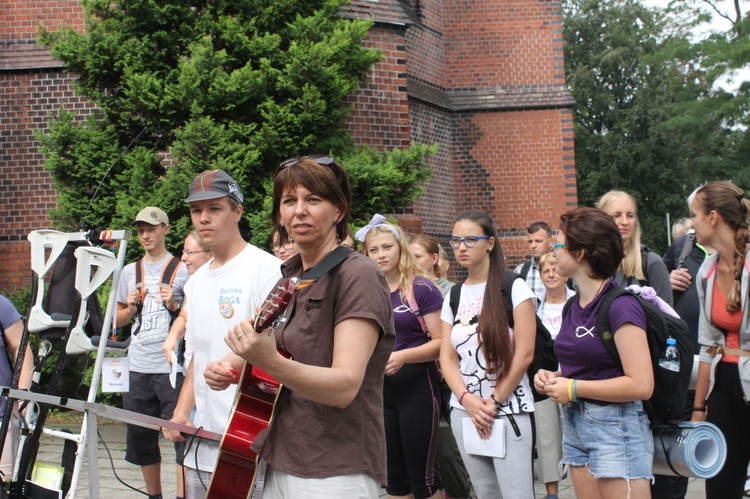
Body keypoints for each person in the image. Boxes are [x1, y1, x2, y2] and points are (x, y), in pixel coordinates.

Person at [213, 155, 395, 497]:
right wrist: (227, 366)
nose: (299, 211)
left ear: (338, 210)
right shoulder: (290, 276)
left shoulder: (358, 275)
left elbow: (344, 387)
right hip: (280, 455)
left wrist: (270, 362)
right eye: (289, 201)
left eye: (313, 200)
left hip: (334, 467)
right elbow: (261, 340)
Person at [162, 170, 282, 498]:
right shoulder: (197, 281)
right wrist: (181, 412)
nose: (203, 218)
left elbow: (279, 348)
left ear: (237, 212)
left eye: (214, 209)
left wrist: (234, 365)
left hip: (250, 435)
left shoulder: (265, 269)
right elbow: (198, 355)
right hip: (203, 439)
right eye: (196, 211)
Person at [534, 206, 654, 499]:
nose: (552, 249)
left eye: (558, 243)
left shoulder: (620, 305)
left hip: (617, 428)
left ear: (580, 253)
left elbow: (641, 384)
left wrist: (572, 387)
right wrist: (556, 377)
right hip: (576, 427)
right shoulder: (572, 306)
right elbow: (590, 365)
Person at [440, 210, 536, 498]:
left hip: (508, 410)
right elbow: (447, 357)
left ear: (490, 243)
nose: (461, 247)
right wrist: (466, 399)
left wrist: (494, 401)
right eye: (456, 240)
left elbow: (525, 353)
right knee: (485, 493)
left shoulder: (512, 286)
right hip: (465, 411)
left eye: (470, 239)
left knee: (516, 494)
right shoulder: (454, 295)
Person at [358, 216, 443, 499]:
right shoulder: (365, 290)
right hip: (380, 393)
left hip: (418, 389)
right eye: (374, 250)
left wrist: (404, 356)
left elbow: (443, 343)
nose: (381, 255)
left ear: (400, 248)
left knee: (422, 480)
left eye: (387, 247)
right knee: (393, 480)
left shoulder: (421, 288)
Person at [116, 206, 190, 499]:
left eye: (151, 228)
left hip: (172, 367)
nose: (145, 234)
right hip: (137, 366)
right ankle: (154, 496)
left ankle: (183, 495)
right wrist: (130, 308)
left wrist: (173, 305)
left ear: (165, 230)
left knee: (180, 436)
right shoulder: (129, 271)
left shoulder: (182, 268)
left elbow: (191, 315)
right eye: (141, 230)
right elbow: (117, 320)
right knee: (141, 437)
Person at [690, 180, 750, 498]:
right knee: (720, 485)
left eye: (694, 215)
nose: (691, 223)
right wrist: (699, 408)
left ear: (713, 217)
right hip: (724, 388)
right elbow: (708, 344)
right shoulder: (707, 271)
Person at [658, 188, 714, 499]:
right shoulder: (683, 245)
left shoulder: (736, 255)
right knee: (683, 450)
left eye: (694, 215)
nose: (691, 223)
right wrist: (668, 278)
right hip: (685, 367)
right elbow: (656, 292)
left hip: (725, 365)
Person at [409, 233, 473, 499]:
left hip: (449, 382)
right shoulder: (405, 291)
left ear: (434, 259)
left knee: (449, 451)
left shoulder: (450, 292)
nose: (411, 262)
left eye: (418, 257)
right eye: (408, 256)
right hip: (419, 381)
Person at [533, 252, 575, 499]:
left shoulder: (577, 301)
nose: (551, 274)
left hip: (574, 378)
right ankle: (552, 493)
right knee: (547, 436)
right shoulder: (534, 305)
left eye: (555, 269)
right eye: (545, 270)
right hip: (546, 379)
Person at [597, 190, 673, 306]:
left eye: (630, 215)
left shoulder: (651, 263)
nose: (625, 222)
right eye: (616, 216)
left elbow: (667, 318)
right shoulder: (590, 264)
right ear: (600, 220)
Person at [161, 230, 212, 373]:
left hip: (213, 370)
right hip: (190, 367)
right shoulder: (193, 283)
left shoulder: (223, 283)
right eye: (184, 251)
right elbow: (184, 315)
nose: (183, 258)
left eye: (190, 253)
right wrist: (173, 336)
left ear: (210, 254)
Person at [514, 221, 554, 299]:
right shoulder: (521, 271)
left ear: (550, 242)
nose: (533, 246)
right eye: (530, 242)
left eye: (538, 241)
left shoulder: (563, 269)